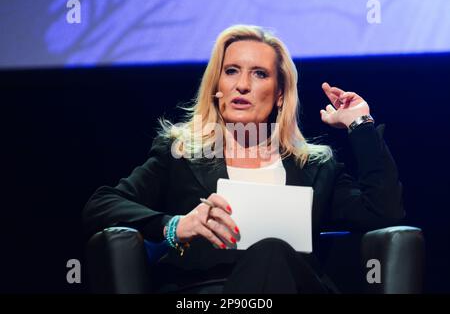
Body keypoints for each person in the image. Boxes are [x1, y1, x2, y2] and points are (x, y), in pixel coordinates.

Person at [83, 24, 404, 293]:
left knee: (272, 250)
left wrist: (360, 125)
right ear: (217, 85)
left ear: (280, 94)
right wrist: (174, 226)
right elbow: (101, 205)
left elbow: (383, 213)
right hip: (202, 293)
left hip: (292, 287)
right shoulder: (181, 154)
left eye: (260, 74)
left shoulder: (315, 166)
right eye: (232, 71)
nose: (242, 85)